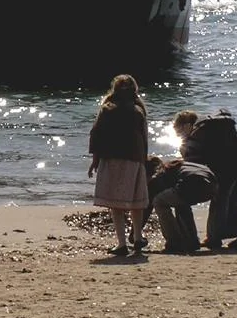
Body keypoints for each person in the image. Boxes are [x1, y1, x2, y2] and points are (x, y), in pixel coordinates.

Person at [172, 109, 237, 250]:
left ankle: (214, 239)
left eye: (179, 131)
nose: (180, 135)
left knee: (220, 199)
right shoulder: (212, 126)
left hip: (231, 166)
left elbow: (193, 163)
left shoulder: (198, 133)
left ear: (187, 125)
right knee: (233, 198)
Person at [87, 74, 149, 256]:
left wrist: (95, 160)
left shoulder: (107, 109)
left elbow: (96, 134)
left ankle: (122, 244)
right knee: (136, 201)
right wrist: (144, 160)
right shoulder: (139, 110)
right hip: (135, 158)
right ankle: (138, 238)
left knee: (116, 203)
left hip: (112, 157)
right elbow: (144, 137)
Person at [143, 156, 217, 254]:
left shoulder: (159, 175)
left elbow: (149, 205)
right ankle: (192, 241)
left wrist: (136, 232)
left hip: (193, 183)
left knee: (159, 202)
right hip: (212, 185)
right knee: (180, 202)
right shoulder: (176, 165)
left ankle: (174, 243)